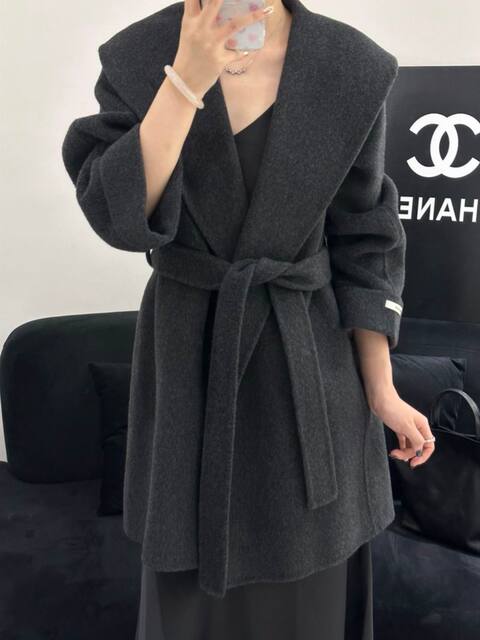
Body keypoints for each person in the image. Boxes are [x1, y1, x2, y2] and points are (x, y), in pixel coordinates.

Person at [62, 0, 436, 637]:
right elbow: (119, 218)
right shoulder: (139, 54)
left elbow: (366, 240)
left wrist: (382, 390)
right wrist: (186, 78)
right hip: (187, 366)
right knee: (187, 601)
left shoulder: (351, 65)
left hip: (307, 375)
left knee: (307, 604)